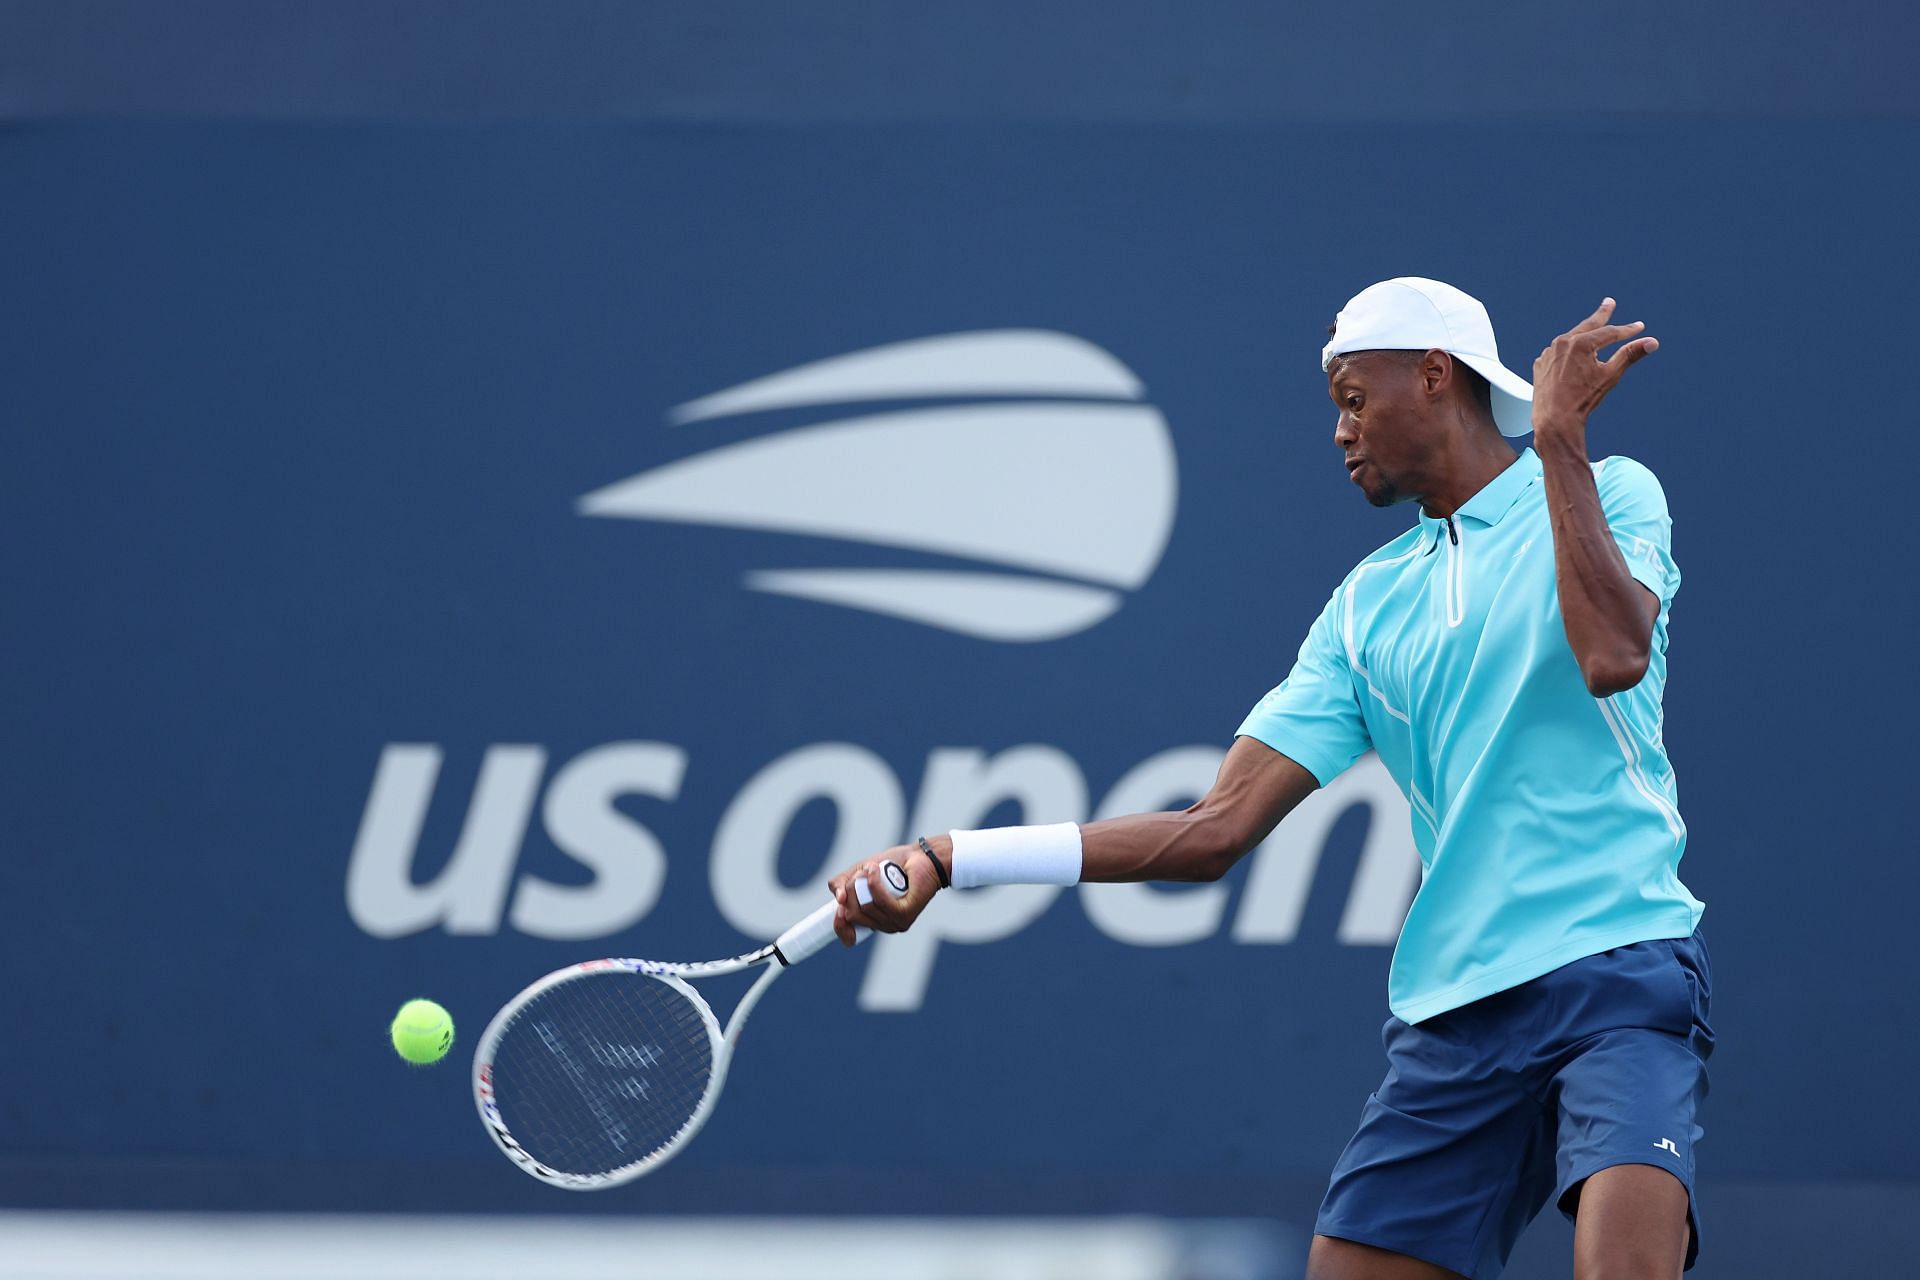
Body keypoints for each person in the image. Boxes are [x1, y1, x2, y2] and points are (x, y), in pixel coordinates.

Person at [828, 278, 1712, 1280]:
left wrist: (1559, 446)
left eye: (1351, 395)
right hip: (1459, 1011)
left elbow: (1612, 655)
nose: (1340, 431)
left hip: (1616, 970)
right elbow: (1215, 827)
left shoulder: (1614, 489)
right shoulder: (1363, 609)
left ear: (1432, 375)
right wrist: (951, 857)